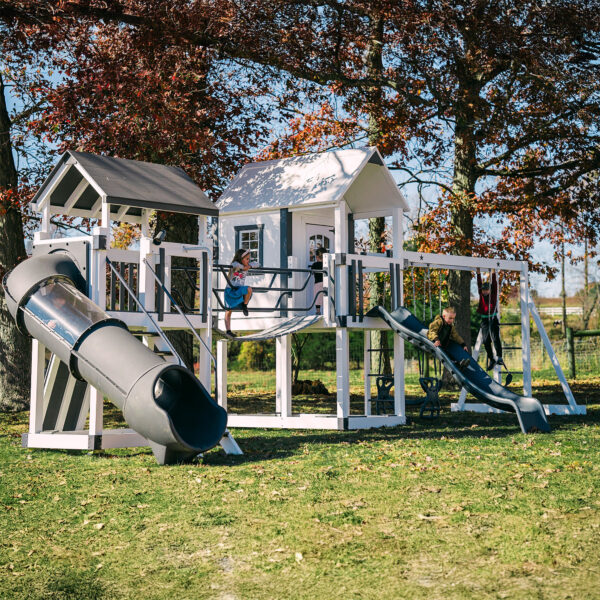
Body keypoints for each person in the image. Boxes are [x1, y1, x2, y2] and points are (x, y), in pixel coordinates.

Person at [223, 249, 259, 337]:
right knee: (228, 311)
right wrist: (243, 267)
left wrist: (249, 266)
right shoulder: (235, 265)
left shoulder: (247, 265)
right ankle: (228, 330)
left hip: (239, 289)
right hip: (230, 289)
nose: (248, 260)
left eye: (249, 259)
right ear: (241, 258)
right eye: (247, 259)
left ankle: (244, 305)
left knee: (249, 289)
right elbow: (234, 264)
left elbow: (258, 264)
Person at [427, 306, 471, 370]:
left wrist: (463, 344)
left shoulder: (450, 326)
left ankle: (460, 363)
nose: (452, 320)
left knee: (451, 353)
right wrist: (436, 339)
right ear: (444, 316)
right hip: (434, 341)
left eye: (453, 318)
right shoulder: (438, 322)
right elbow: (432, 330)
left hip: (443, 343)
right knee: (446, 355)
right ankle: (457, 363)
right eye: (450, 318)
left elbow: (456, 336)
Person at [477, 268, 503, 370]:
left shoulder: (493, 294)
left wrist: (493, 272)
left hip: (492, 319)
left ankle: (499, 357)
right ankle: (491, 358)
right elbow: (479, 284)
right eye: (483, 290)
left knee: (495, 338)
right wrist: (478, 273)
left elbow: (495, 284)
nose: (485, 291)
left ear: (490, 290)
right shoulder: (481, 295)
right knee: (485, 340)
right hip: (484, 320)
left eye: (487, 289)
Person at [310, 247, 324, 315]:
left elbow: (312, 272)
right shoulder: (326, 264)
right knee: (327, 296)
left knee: (317, 297)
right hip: (326, 282)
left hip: (318, 283)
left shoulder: (315, 264)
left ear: (317, 256)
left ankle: (318, 311)